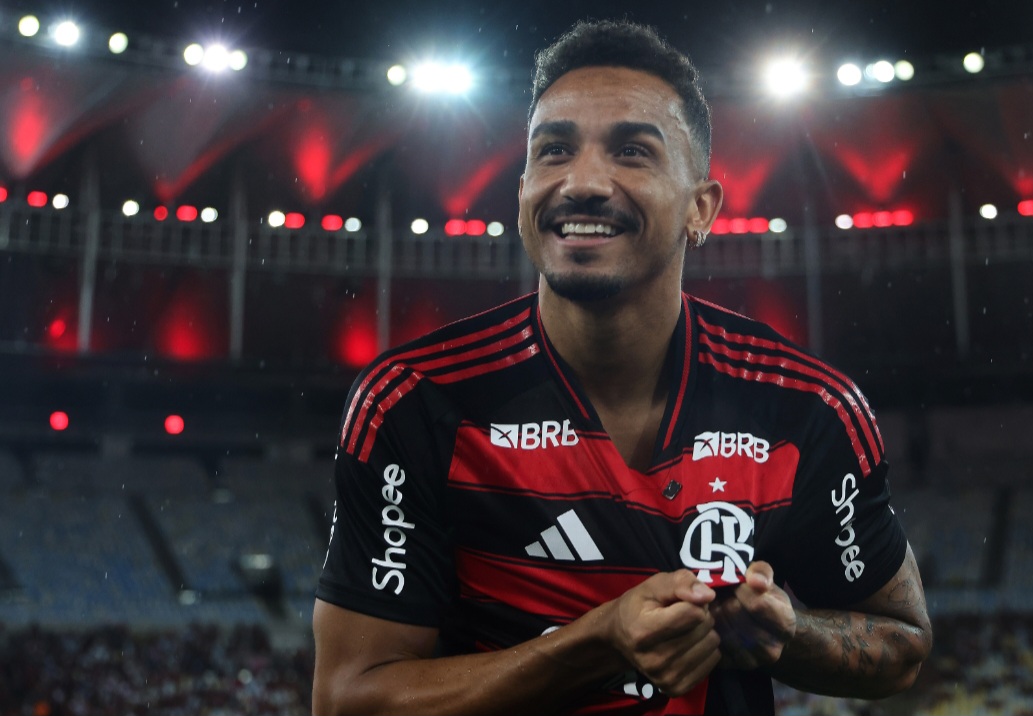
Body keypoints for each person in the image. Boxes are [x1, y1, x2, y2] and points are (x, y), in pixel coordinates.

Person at [312, 19, 932, 716]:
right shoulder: (415, 402)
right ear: (521, 194)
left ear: (701, 208)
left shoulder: (804, 406)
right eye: (553, 152)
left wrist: (787, 633)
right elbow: (346, 701)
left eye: (632, 152)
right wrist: (595, 644)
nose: (581, 183)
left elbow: (901, 643)